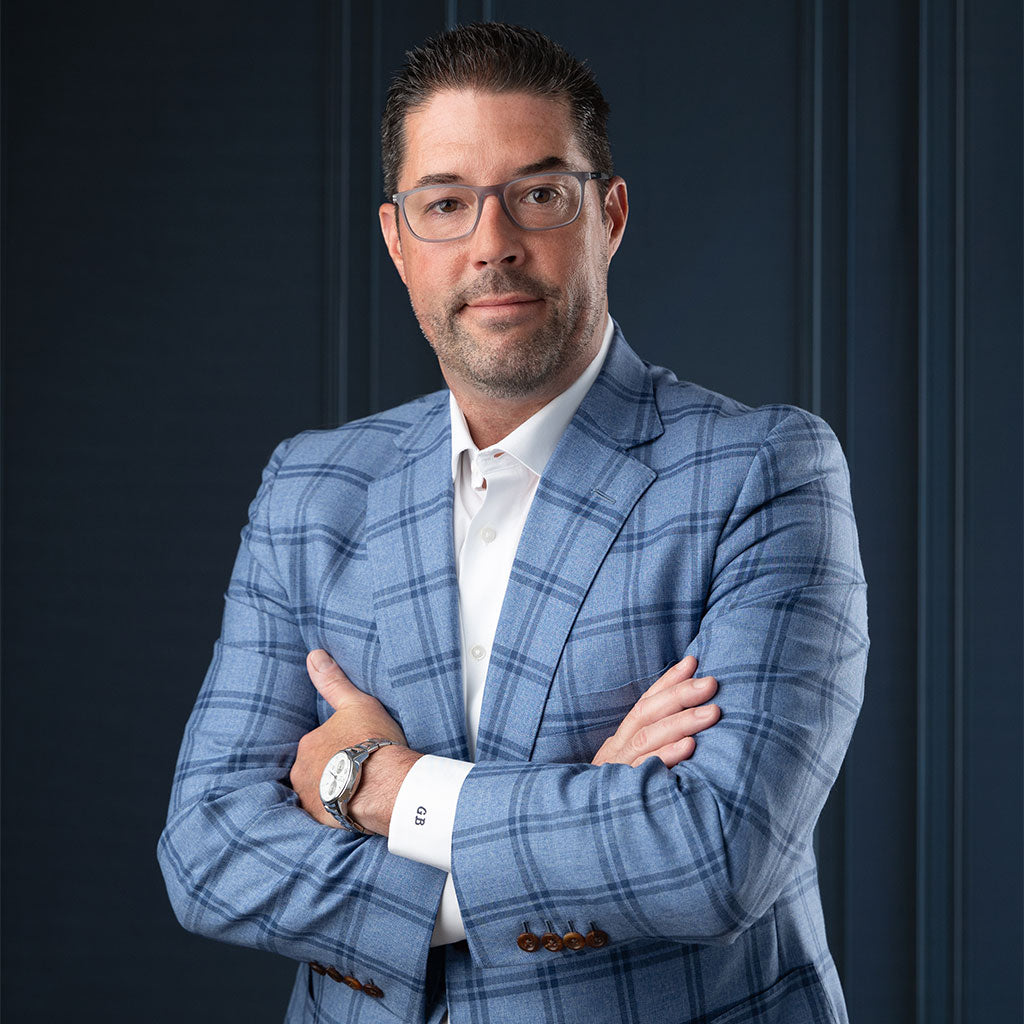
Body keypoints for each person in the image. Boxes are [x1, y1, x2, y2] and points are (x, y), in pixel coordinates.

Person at [158, 22, 868, 1024]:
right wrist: (583, 812)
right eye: (445, 204)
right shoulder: (313, 487)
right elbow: (207, 848)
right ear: (398, 241)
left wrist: (381, 784)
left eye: (537, 195)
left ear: (608, 216)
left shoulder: (762, 471)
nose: (491, 244)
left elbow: (711, 854)